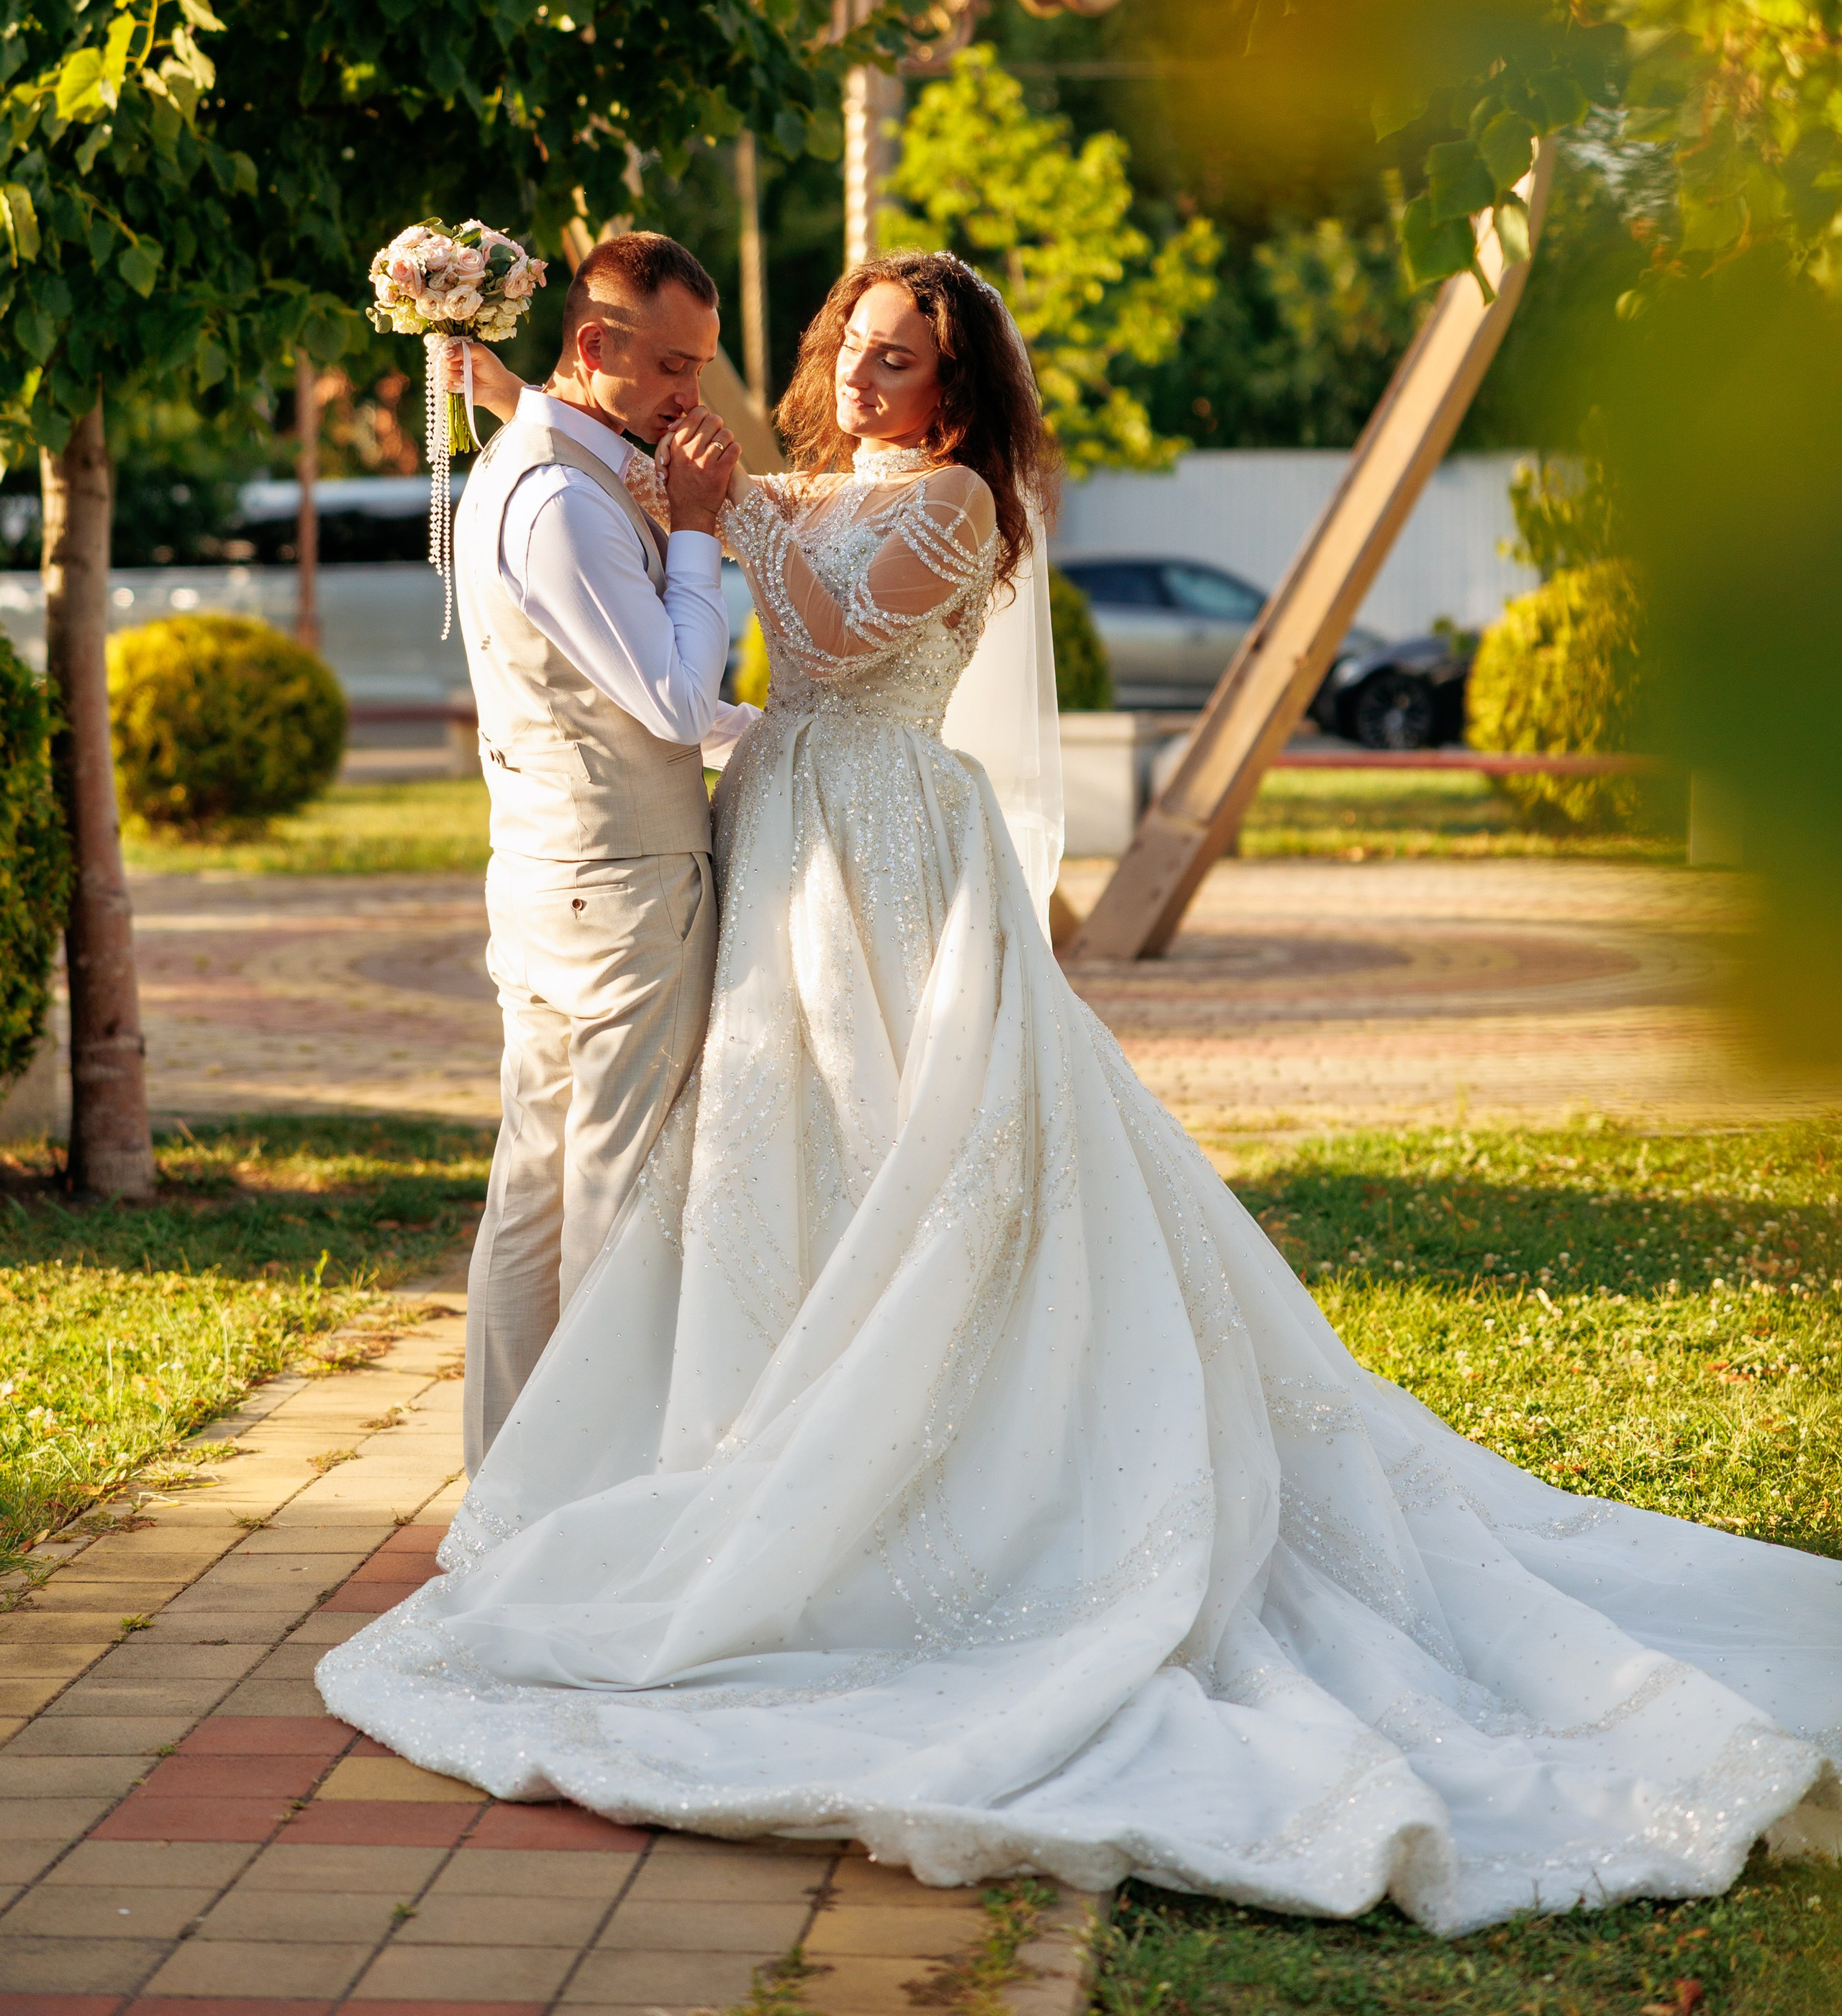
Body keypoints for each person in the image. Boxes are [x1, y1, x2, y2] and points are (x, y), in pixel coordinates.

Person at [325, 252, 1841, 1934]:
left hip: (888, 844)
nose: (862, 379)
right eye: (853, 349)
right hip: (783, 839)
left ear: (954, 388)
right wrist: (510, 389)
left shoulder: (959, 505)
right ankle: (733, 1443)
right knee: (773, 1150)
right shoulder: (810, 481)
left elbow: (820, 630)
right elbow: (684, 492)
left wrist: (707, 515)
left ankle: (907, 1492)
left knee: (910, 1157)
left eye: (899, 362)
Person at [450, 230, 755, 1472]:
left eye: (703, 366)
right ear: (593, 344)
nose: (694, 395)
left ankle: (509, 1488)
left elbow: (618, 685)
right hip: (619, 892)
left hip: (550, 876)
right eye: (675, 367)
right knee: (613, 1200)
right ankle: (581, 1501)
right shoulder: (568, 501)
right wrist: (697, 532)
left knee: (534, 1187)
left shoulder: (533, 463)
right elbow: (675, 700)